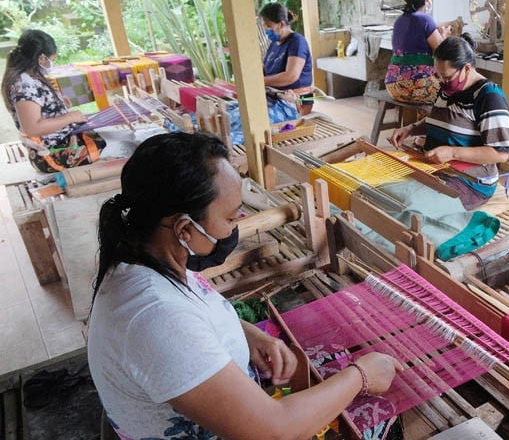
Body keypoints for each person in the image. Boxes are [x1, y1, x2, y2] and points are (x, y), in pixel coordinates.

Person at [87, 132, 402, 439]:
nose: (234, 228)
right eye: (229, 219)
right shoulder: (154, 316)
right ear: (184, 229)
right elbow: (274, 430)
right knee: (378, 415)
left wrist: (248, 336)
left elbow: (191, 321)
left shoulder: (147, 257)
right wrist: (361, 376)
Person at [388, 34, 509, 210]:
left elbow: (500, 154)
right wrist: (411, 129)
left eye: (446, 77)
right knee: (386, 189)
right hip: (436, 168)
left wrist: (453, 153)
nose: (441, 82)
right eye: (437, 75)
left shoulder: (489, 97)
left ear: (467, 69)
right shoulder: (448, 88)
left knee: (408, 203)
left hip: (469, 181)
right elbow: (441, 117)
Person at [2, 29, 106, 173]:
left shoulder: (30, 76)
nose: (52, 63)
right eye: (53, 59)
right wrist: (69, 117)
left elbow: (39, 106)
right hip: (53, 154)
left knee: (112, 136)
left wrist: (57, 104)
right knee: (120, 145)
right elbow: (32, 128)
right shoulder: (24, 85)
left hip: (59, 142)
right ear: (41, 58)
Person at [384, 0, 450, 105]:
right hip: (415, 86)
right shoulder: (425, 20)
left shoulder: (399, 20)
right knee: (453, 90)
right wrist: (444, 35)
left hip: (393, 86)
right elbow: (442, 52)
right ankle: (432, 119)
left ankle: (421, 117)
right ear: (427, 1)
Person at [259, 2, 314, 115]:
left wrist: (260, 81)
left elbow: (291, 76)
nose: (266, 30)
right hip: (275, 98)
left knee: (255, 119)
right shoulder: (274, 44)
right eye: (265, 26)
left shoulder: (297, 42)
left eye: (269, 26)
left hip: (294, 101)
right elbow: (264, 70)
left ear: (281, 24)